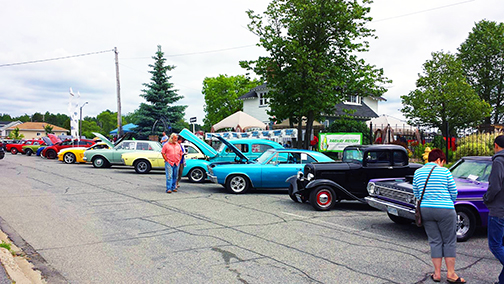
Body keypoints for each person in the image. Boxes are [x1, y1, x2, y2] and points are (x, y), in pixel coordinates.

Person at [412, 149, 465, 283]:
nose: (442, 164)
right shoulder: (445, 171)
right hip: (445, 209)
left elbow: (416, 193)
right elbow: (454, 192)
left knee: (434, 241)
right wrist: (448, 202)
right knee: (449, 241)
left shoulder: (417, 172)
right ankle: (451, 274)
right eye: (442, 162)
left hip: (426, 209)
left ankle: (437, 274)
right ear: (439, 160)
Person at [484, 135, 504, 284]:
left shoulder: (498, 161)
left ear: (496, 145)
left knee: (495, 245)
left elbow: (495, 185)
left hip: (499, 209)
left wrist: (487, 198)